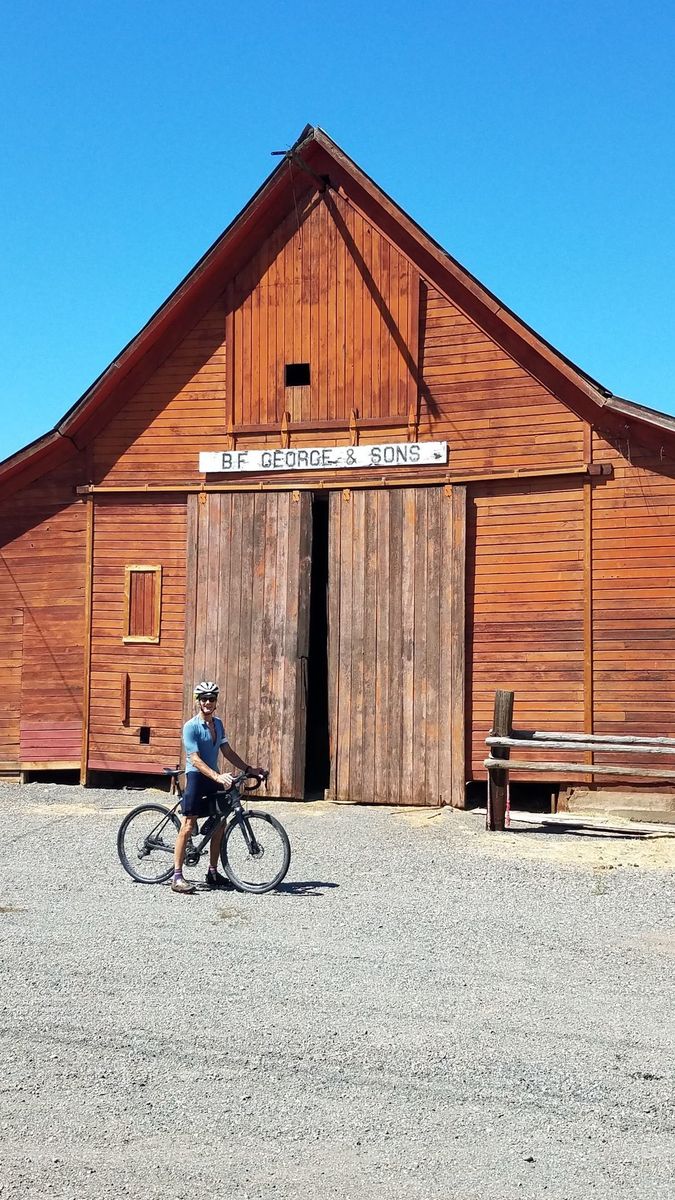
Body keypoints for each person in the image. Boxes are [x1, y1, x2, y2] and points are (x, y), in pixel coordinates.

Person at [172, 680, 266, 895]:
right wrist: (217, 776)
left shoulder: (219, 724)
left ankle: (212, 872)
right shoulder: (191, 726)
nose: (207, 702)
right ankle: (177, 877)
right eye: (204, 699)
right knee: (188, 825)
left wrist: (249, 769)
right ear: (198, 702)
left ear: (216, 702)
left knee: (221, 822)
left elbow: (227, 751)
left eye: (211, 699)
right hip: (197, 777)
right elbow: (195, 759)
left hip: (213, 776)